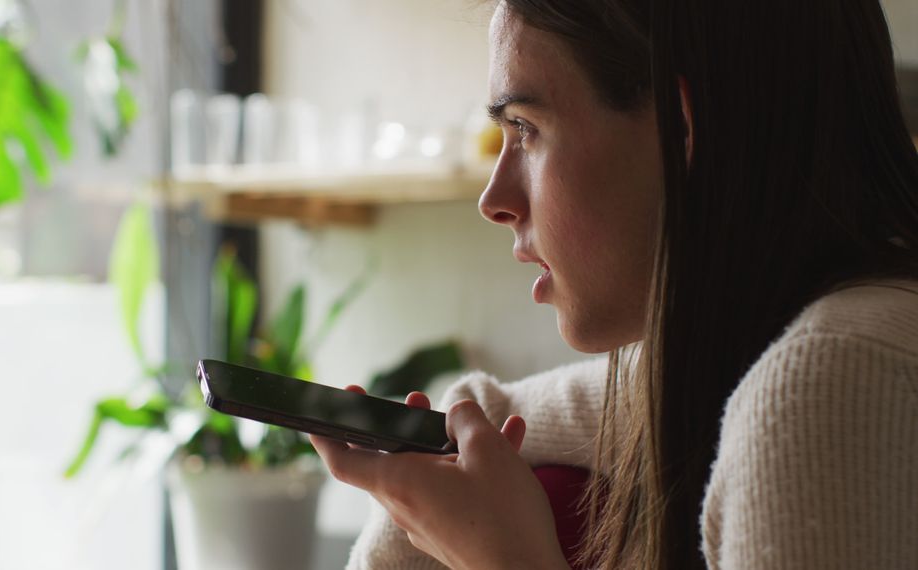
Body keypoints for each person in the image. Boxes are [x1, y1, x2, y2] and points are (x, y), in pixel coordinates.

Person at [310, 0, 918, 568]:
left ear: (680, 134)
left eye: (526, 128)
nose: (494, 200)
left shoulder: (831, 377)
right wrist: (430, 449)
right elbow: (498, 415)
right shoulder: (768, 344)